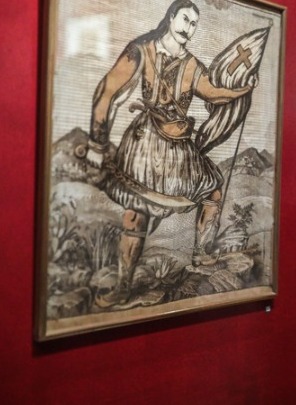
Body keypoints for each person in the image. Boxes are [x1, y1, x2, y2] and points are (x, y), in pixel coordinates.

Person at [86, 0, 256, 307]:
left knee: (213, 191)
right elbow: (107, 90)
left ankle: (199, 254)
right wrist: (97, 143)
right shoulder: (142, 50)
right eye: (185, 19)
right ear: (171, 16)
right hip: (145, 144)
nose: (189, 28)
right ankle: (123, 286)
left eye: (194, 24)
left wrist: (242, 90)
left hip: (179, 148)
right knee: (136, 211)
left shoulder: (191, 64)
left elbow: (213, 92)